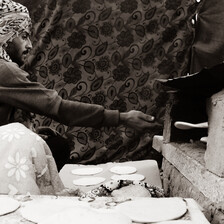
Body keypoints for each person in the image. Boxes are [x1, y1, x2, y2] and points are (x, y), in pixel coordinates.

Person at [0, 0, 155, 195]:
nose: (30, 45)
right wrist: (122, 118)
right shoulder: (4, 70)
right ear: (4, 34)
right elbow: (59, 108)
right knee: (56, 146)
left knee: (48, 139)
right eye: (23, 37)